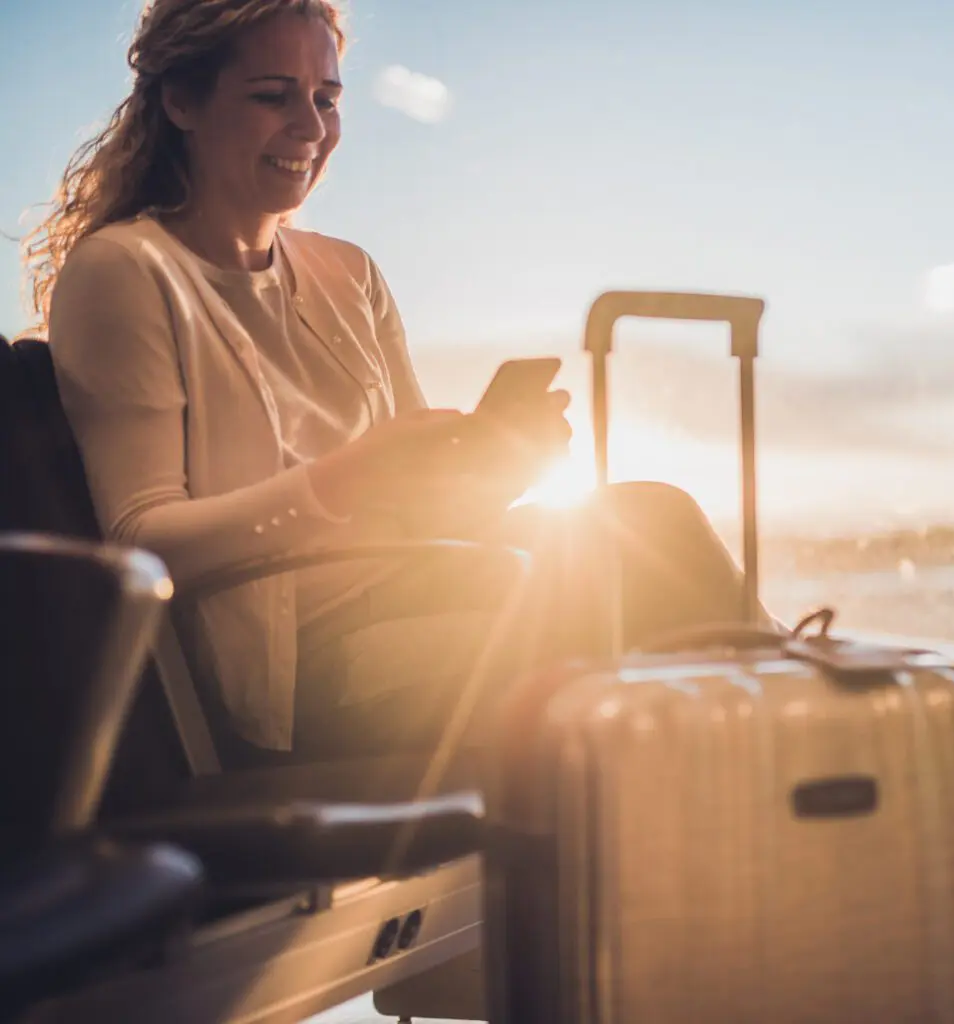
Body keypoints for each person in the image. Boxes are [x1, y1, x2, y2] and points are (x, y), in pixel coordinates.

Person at [25, 0, 757, 760]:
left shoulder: (350, 273)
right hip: (302, 666)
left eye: (326, 99)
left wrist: (495, 465)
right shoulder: (125, 271)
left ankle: (798, 774)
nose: (311, 128)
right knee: (628, 614)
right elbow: (140, 539)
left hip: (425, 590)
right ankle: (794, 779)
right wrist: (344, 482)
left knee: (652, 520)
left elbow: (426, 512)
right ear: (181, 101)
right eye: (272, 96)